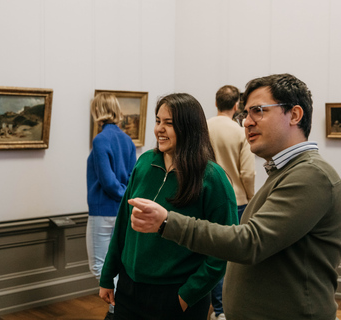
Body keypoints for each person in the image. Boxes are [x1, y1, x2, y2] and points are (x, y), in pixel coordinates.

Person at [130, 74, 341, 320]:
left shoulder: (311, 175)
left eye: (258, 111)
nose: (246, 122)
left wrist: (168, 222)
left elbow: (250, 243)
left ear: (295, 115)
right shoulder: (286, 172)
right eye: (245, 113)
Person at [98, 93, 238, 320]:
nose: (159, 129)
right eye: (157, 121)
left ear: (189, 127)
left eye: (169, 123)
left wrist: (187, 294)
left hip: (177, 294)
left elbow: (225, 246)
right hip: (129, 288)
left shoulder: (212, 178)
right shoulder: (145, 162)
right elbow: (123, 224)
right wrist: (108, 276)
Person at [207, 85, 256, 320]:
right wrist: (251, 197)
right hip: (236, 199)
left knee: (208, 251)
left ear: (216, 103)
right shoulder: (239, 131)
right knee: (230, 257)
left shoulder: (202, 127)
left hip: (205, 198)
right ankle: (225, 310)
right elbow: (247, 172)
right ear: (237, 105)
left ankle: (215, 309)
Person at [86, 92, 136, 320]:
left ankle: (119, 309)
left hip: (103, 211)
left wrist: (122, 198)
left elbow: (107, 181)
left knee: (100, 267)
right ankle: (121, 308)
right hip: (122, 213)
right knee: (119, 264)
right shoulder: (127, 139)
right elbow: (133, 178)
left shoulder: (100, 139)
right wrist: (126, 201)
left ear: (97, 110)